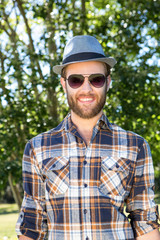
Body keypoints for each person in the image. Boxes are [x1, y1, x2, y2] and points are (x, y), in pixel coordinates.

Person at [16, 35, 160, 240]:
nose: (86, 89)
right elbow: (32, 224)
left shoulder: (136, 146)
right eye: (76, 80)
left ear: (107, 82)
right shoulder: (37, 148)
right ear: (64, 84)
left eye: (96, 79)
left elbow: (145, 222)